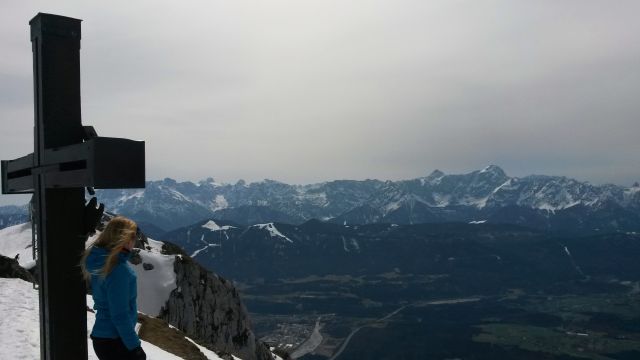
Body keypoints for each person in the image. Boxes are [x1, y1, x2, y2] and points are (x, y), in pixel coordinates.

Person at [81, 216, 146, 360]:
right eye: (134, 236)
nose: (135, 241)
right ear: (125, 239)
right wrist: (135, 347)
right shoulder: (118, 270)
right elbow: (119, 314)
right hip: (115, 340)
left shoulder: (101, 263)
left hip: (103, 337)